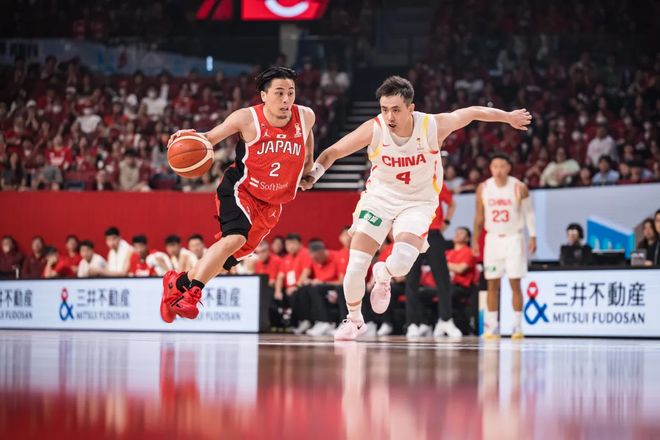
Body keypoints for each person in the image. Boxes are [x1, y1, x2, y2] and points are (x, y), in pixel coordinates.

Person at [302, 75, 532, 340]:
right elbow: (332, 152)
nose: (389, 116)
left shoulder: (433, 125)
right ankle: (354, 320)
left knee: (401, 263)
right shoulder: (374, 128)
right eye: (384, 109)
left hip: (418, 203)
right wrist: (314, 173)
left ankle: (384, 273)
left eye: (396, 110)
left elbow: (471, 112)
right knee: (355, 265)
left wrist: (508, 117)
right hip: (379, 200)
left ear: (411, 108)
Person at [160, 67, 316, 323]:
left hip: (272, 203)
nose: (286, 99)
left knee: (228, 260)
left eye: (291, 92)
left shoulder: (305, 116)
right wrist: (185, 137)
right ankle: (193, 293)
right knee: (234, 238)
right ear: (264, 95)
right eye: (279, 93)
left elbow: (307, 141)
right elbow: (208, 138)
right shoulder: (246, 118)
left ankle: (177, 285)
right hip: (241, 188)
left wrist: (307, 168)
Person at [473, 153, 537, 339]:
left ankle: (517, 326)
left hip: (514, 238)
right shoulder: (483, 188)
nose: (498, 170)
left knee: (515, 282)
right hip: (493, 239)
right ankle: (492, 326)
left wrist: (533, 235)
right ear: (490, 168)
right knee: (492, 283)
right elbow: (479, 217)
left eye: (502, 166)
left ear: (508, 168)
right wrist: (475, 240)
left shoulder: (519, 187)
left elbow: (529, 213)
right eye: (495, 166)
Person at [404, 181, 462, 338]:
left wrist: (447, 221)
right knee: (412, 280)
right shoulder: (408, 181)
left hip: (434, 233)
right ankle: (412, 323)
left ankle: (445, 320)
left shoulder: (437, 182)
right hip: (413, 233)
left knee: (443, 279)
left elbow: (452, 204)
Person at [300, 240, 345, 336]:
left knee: (316, 288)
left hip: (335, 287)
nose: (315, 261)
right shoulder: (313, 259)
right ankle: (312, 321)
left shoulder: (337, 257)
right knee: (304, 289)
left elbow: (341, 282)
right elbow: (303, 277)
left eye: (316, 258)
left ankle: (326, 322)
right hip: (321, 287)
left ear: (322, 252)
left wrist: (322, 282)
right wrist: (306, 280)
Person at [445, 227, 477, 335]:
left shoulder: (468, 252)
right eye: (456, 232)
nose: (457, 234)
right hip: (446, 285)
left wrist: (443, 264)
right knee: (422, 293)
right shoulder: (447, 252)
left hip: (462, 287)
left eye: (461, 233)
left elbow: (460, 269)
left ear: (467, 238)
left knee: (448, 294)